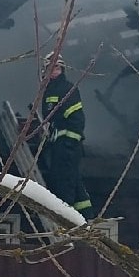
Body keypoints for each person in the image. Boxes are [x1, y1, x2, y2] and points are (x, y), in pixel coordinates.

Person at [39, 53, 93, 218]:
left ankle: (66, 219)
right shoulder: (48, 90)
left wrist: (69, 142)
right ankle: (86, 218)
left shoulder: (67, 88)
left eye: (56, 67)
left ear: (61, 68)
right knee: (73, 183)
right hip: (57, 145)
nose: (53, 71)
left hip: (67, 146)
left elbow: (77, 119)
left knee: (64, 184)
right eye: (50, 68)